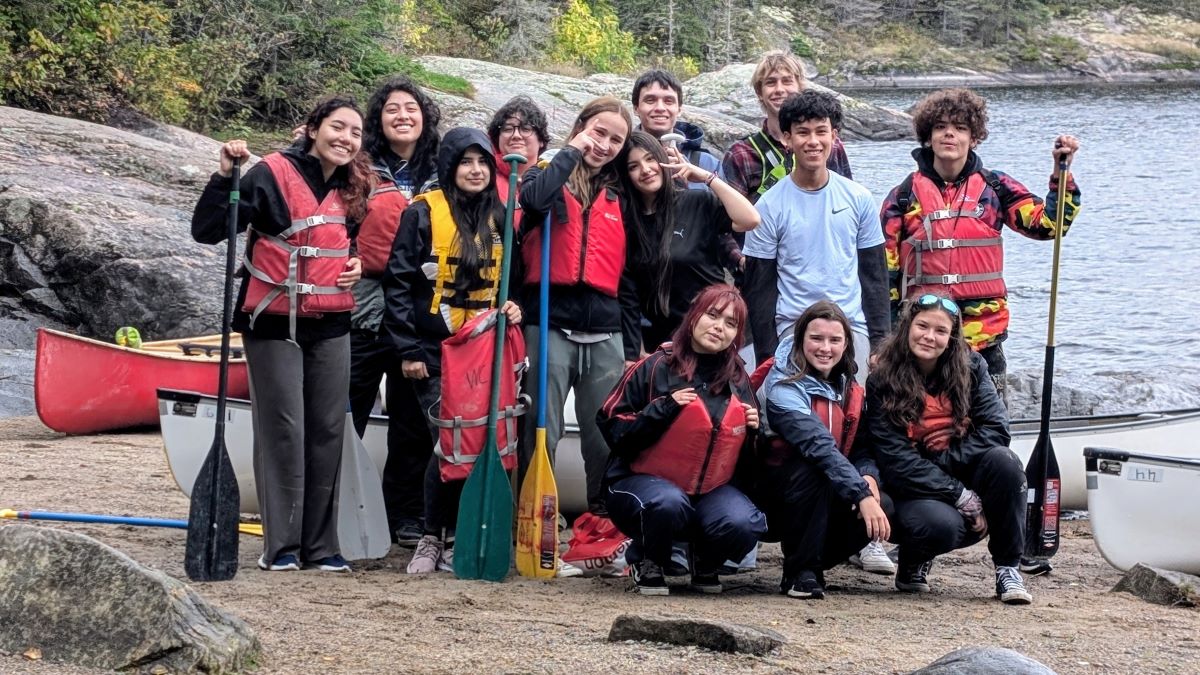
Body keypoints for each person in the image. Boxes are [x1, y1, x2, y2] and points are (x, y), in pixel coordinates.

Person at [191, 96, 371, 573]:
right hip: (271, 320)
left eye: (355, 132)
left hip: (331, 322)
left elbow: (343, 244)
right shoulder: (270, 173)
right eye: (338, 127)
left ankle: (320, 546)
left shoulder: (352, 185)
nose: (346, 139)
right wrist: (226, 176)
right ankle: (283, 546)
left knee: (328, 431)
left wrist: (353, 264)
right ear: (312, 129)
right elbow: (207, 230)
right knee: (285, 429)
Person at [380, 128, 523, 573]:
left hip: (484, 347)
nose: (475, 170)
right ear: (449, 167)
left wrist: (513, 306)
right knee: (449, 439)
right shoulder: (421, 214)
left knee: (478, 438)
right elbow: (399, 283)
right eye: (465, 162)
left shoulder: (501, 216)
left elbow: (511, 281)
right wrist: (408, 349)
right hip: (434, 347)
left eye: (483, 162)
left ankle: (460, 532)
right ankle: (430, 534)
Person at [879, 88, 1081, 402]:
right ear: (928, 136)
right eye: (941, 127)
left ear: (973, 138)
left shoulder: (996, 188)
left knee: (990, 427)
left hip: (983, 338)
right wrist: (888, 337)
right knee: (923, 426)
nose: (950, 134)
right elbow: (886, 272)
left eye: (960, 128)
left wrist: (1060, 174)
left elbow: (1049, 226)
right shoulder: (903, 196)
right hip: (923, 342)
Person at [865, 294, 1033, 605]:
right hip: (911, 485)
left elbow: (997, 429)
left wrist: (948, 466)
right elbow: (896, 460)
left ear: (952, 337)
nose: (929, 337)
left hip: (954, 466)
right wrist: (960, 496)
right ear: (907, 328)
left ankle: (1008, 568)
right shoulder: (882, 380)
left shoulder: (972, 367)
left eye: (940, 331)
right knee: (940, 526)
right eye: (922, 326)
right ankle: (915, 558)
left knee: (1006, 464)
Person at [597, 285, 766, 595]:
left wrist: (755, 432)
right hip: (641, 484)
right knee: (667, 502)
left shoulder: (738, 378)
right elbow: (611, 426)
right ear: (694, 316)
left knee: (746, 521)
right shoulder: (655, 366)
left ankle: (706, 558)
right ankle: (648, 560)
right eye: (713, 315)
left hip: (708, 491)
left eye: (730, 323)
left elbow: (751, 464)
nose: (719, 327)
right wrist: (663, 408)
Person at [517, 96, 636, 516]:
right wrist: (572, 150)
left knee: (603, 435)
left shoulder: (622, 193)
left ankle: (603, 520)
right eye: (598, 133)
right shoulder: (543, 176)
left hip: (606, 330)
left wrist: (633, 347)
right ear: (581, 126)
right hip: (548, 322)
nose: (604, 145)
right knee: (540, 429)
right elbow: (533, 203)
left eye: (615, 140)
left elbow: (629, 276)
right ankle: (533, 516)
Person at [348, 76, 442, 545]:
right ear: (378, 120)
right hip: (364, 304)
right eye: (391, 110)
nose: (402, 116)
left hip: (419, 309)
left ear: (424, 116)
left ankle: (404, 513)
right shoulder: (359, 166)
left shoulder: (442, 168)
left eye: (411, 108)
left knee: (410, 419)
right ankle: (338, 504)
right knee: (349, 407)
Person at [742, 89, 889, 373]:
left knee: (854, 412)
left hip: (850, 327)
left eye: (821, 131)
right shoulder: (769, 206)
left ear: (834, 136)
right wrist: (766, 355)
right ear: (787, 139)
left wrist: (881, 341)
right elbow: (760, 288)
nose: (813, 141)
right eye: (802, 132)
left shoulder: (858, 198)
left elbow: (874, 276)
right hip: (793, 329)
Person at [757, 301, 891, 599]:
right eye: (816, 339)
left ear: (846, 344)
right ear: (801, 339)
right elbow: (819, 447)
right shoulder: (782, 387)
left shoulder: (847, 383)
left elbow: (862, 447)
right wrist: (860, 494)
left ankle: (815, 558)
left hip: (824, 487)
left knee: (885, 505)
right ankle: (800, 572)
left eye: (834, 340)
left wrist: (867, 478)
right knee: (814, 468)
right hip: (771, 492)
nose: (825, 348)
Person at [619, 130, 759, 358]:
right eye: (633, 166)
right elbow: (628, 296)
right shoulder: (628, 224)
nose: (645, 170)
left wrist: (706, 178)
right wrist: (636, 350)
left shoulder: (696, 201)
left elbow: (750, 219)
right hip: (662, 343)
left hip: (711, 334)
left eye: (650, 159)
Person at [720, 50, 852, 207]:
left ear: (800, 87)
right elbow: (728, 223)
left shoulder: (830, 146)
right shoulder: (741, 154)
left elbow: (847, 199)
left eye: (787, 81)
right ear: (759, 92)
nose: (779, 89)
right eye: (770, 82)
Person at [630, 68, 722, 191]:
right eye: (650, 100)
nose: (660, 108)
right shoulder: (620, 156)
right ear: (636, 108)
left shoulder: (707, 163)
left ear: (679, 109)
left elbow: (727, 208)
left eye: (669, 101)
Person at [487, 95, 551, 206]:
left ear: (541, 139)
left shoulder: (553, 180)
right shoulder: (484, 178)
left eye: (525, 129)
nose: (516, 135)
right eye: (507, 129)